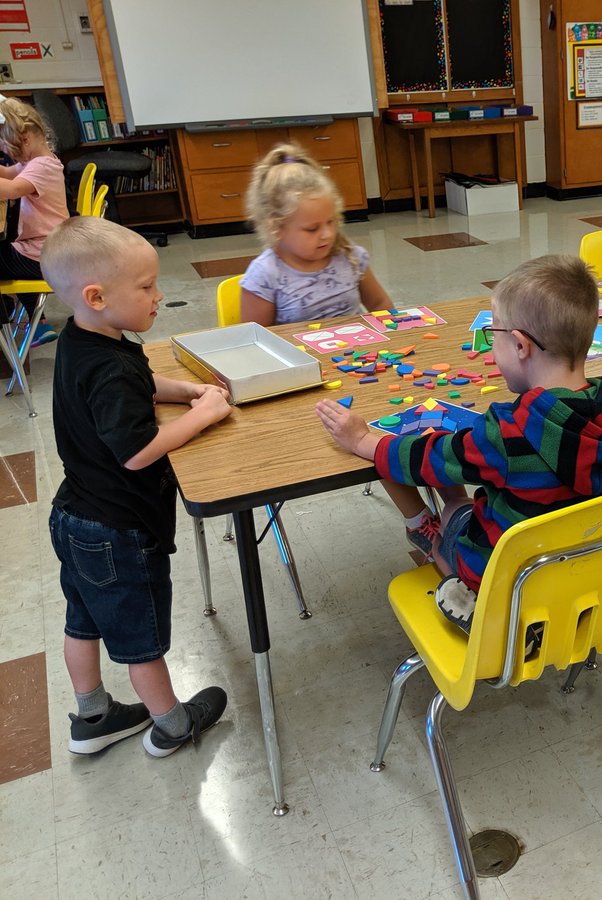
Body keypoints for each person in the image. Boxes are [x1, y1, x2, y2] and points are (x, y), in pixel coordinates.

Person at [315, 255, 602, 632]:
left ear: (521, 346)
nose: (491, 346)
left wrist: (361, 438)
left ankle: (433, 541)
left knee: (413, 459)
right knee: (455, 459)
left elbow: (422, 460)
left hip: (508, 581)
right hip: (586, 565)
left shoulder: (510, 430)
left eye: (494, 334)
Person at [41, 216, 232, 758]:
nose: (158, 296)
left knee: (82, 619)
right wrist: (206, 415)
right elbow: (136, 451)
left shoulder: (86, 338)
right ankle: (171, 724)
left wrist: (190, 389)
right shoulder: (112, 369)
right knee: (138, 637)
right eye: (146, 287)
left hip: (73, 515)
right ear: (97, 295)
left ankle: (93, 715)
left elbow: (141, 382)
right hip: (117, 530)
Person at [240, 143, 392, 326]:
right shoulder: (265, 275)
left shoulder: (350, 256)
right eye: (312, 229)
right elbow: (256, 341)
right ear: (276, 227)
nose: (327, 234)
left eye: (331, 221)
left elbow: (380, 304)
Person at [0, 95, 69, 346]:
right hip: (43, 250)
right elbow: (8, 174)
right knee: (9, 252)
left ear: (25, 140)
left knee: (5, 255)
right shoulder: (37, 161)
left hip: (44, 256)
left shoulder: (41, 167)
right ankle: (38, 324)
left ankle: (9, 319)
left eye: (6, 145)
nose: (4, 150)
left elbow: (12, 189)